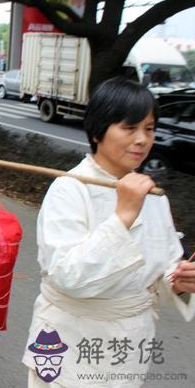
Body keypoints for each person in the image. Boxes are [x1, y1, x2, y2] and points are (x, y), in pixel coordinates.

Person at [22, 78, 195, 388]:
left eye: (150, 128)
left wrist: (181, 282)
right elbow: (68, 275)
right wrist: (123, 216)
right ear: (98, 130)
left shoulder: (154, 196)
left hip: (128, 344)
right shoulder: (70, 189)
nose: (142, 139)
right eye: (130, 128)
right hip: (70, 341)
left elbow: (162, 270)